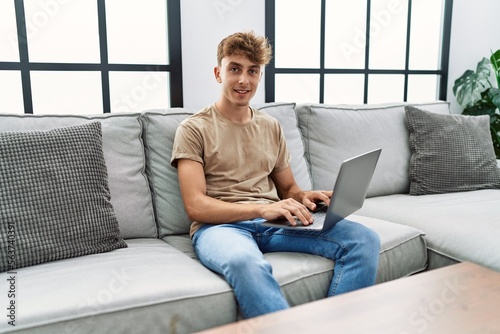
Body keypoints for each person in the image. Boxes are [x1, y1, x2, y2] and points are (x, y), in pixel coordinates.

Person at [170, 31, 380, 319]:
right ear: (219, 73)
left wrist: (306, 196)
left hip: (274, 223)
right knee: (246, 263)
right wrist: (261, 208)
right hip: (220, 228)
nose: (244, 80)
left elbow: (289, 188)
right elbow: (196, 205)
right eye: (235, 69)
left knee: (364, 239)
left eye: (252, 71)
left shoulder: (271, 127)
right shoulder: (193, 129)